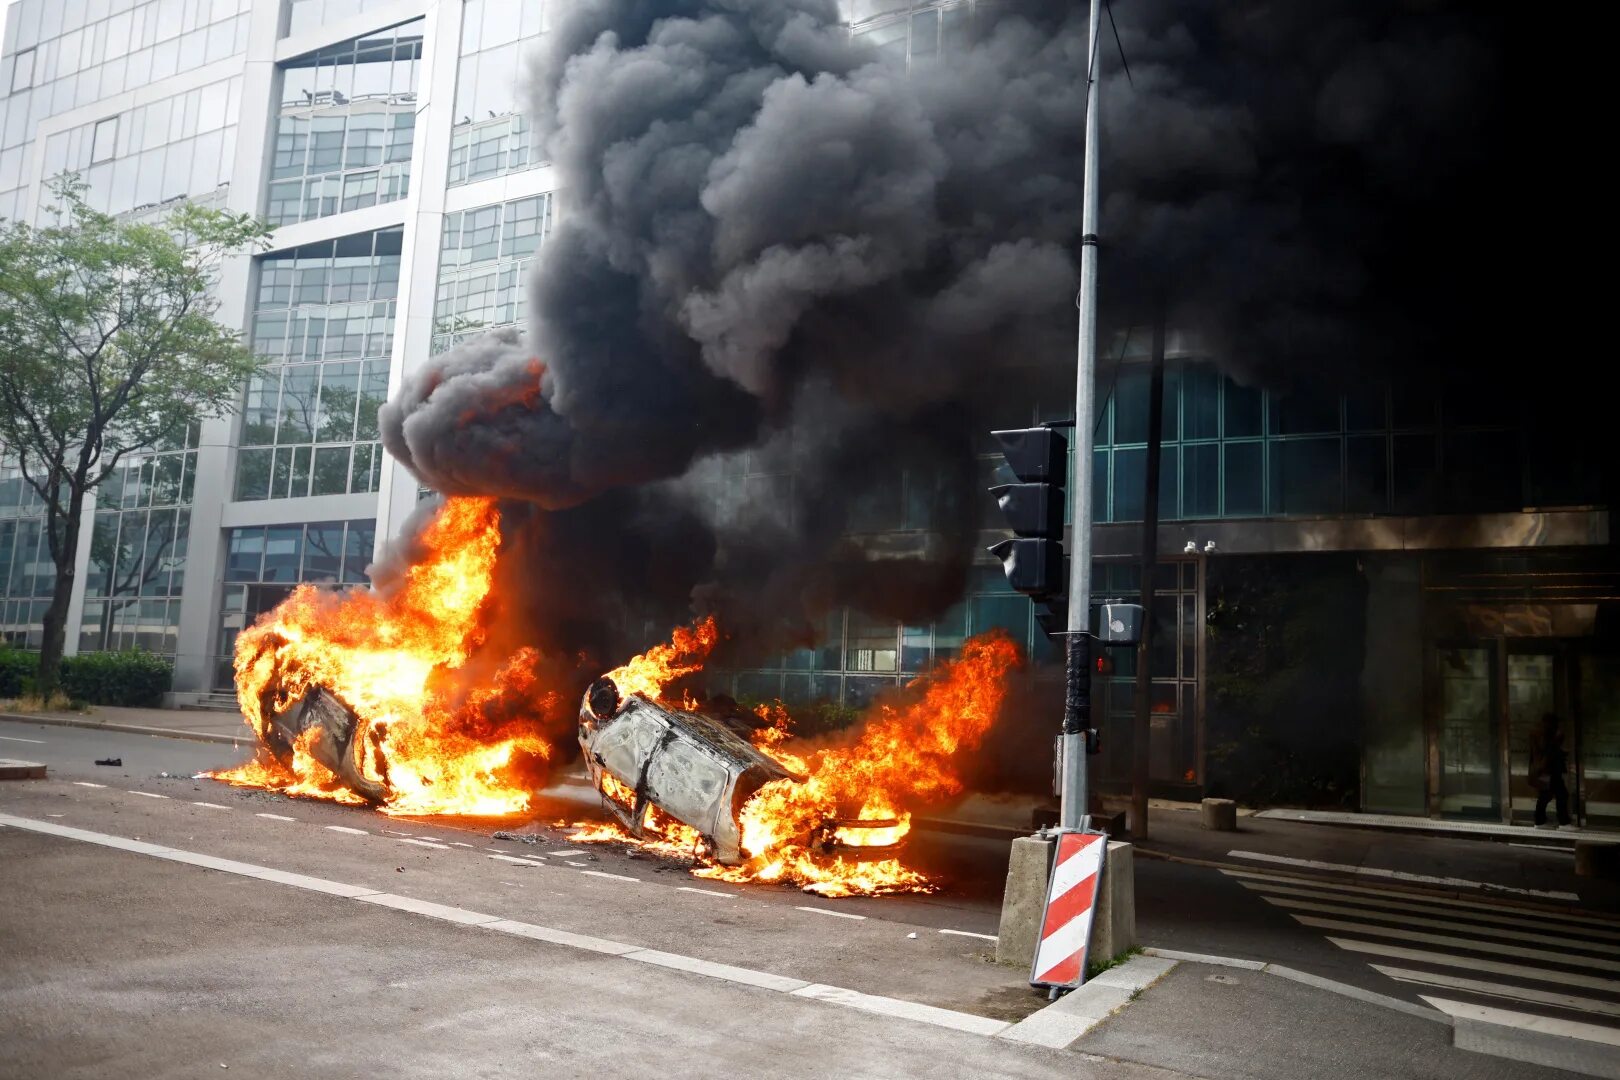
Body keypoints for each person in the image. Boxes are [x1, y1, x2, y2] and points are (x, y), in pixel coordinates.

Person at [1528, 712, 1574, 829]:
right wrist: (1558, 739)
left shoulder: (1539, 733)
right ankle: (1562, 822)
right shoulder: (1545, 734)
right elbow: (1549, 751)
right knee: (1559, 794)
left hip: (1547, 769)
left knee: (1548, 795)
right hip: (1549, 769)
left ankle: (1540, 821)